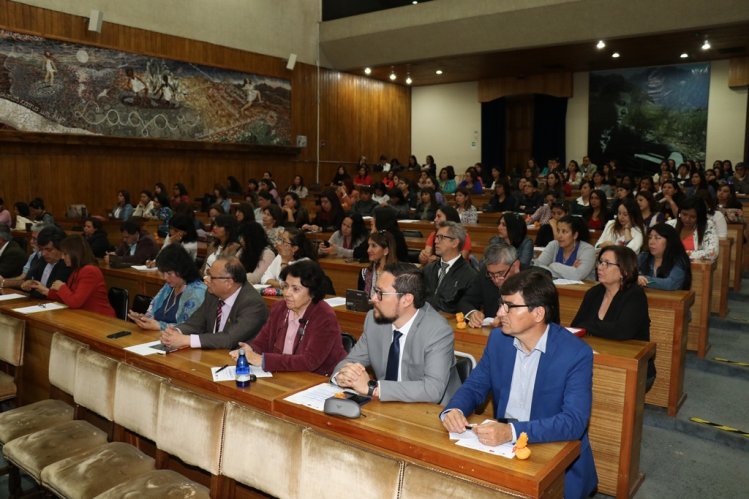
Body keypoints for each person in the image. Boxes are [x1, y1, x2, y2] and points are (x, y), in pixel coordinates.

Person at [441, 270, 598, 499]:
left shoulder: (575, 353)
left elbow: (574, 422)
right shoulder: (498, 340)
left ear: (538, 313)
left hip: (553, 453)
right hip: (503, 449)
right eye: (500, 304)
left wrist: (511, 432)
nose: (499, 313)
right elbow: (475, 386)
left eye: (509, 306)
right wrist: (453, 409)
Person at [333, 262, 461, 403]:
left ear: (406, 300)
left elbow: (432, 390)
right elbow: (350, 361)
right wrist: (342, 375)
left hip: (433, 412)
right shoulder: (374, 320)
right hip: (386, 405)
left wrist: (373, 388)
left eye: (380, 293)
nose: (373, 298)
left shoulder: (437, 331)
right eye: (375, 291)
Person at [230, 260, 347, 376]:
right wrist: (250, 350)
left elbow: (310, 362)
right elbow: (263, 341)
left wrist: (263, 360)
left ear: (313, 292)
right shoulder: (280, 308)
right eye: (286, 286)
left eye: (295, 289)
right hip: (284, 375)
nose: (287, 293)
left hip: (319, 379)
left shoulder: (324, 316)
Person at [572, 246, 655, 387]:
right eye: (600, 262)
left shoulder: (635, 295)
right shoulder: (593, 293)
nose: (600, 267)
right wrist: (589, 326)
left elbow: (622, 331)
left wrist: (589, 325)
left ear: (624, 271)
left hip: (633, 366)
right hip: (597, 360)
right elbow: (576, 327)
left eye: (607, 264)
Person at [161, 256, 267, 350]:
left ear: (229, 282)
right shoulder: (212, 293)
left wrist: (187, 340)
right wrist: (175, 332)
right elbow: (195, 323)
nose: (206, 279)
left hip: (237, 361)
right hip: (212, 353)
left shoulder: (252, 303)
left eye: (211, 277)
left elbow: (229, 339)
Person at [31, 235, 115, 317]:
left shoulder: (90, 271)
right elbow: (68, 298)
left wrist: (62, 287)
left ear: (75, 253)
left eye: (65, 254)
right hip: (85, 316)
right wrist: (47, 291)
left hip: (101, 319)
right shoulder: (76, 271)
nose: (62, 258)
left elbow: (75, 302)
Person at [128, 244, 207, 330]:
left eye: (169, 273)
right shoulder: (169, 286)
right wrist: (144, 319)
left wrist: (160, 326)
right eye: (163, 273)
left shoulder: (198, 292)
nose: (165, 277)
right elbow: (152, 312)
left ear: (182, 269)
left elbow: (191, 328)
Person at [458, 242, 522, 328]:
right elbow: (465, 301)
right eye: (491, 274)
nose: (496, 279)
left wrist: (507, 319)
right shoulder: (484, 274)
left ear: (515, 265)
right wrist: (473, 313)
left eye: (501, 273)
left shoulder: (534, 279)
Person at [422, 221, 476, 313]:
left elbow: (465, 308)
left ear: (455, 243)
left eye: (441, 237)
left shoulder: (470, 276)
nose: (435, 241)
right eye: (436, 237)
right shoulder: (428, 269)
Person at [535, 215, 596, 281]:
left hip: (582, 290)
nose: (559, 236)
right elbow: (537, 268)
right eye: (558, 231)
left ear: (575, 235)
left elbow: (577, 275)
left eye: (564, 232)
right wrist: (570, 271)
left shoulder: (588, 250)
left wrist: (553, 265)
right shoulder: (553, 245)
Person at [18, 225, 72, 299]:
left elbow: (54, 294)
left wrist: (40, 289)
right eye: (41, 249)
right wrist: (27, 284)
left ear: (61, 248)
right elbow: (30, 278)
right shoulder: (42, 260)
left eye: (49, 250)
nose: (43, 254)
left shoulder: (67, 266)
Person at [637, 223, 691, 290]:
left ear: (669, 241)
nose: (651, 242)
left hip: (671, 299)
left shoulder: (679, 260)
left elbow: (671, 284)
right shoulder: (643, 257)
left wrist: (643, 280)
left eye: (657, 238)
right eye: (650, 237)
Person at [358, 231, 398, 298]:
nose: (368, 250)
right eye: (369, 246)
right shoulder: (364, 273)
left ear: (386, 251)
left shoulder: (398, 275)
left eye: (373, 246)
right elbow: (360, 301)